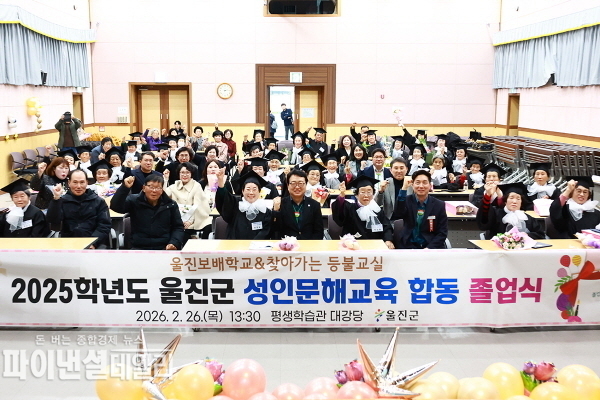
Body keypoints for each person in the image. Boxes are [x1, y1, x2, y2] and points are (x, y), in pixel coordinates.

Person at [111, 175, 185, 250]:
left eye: (158, 188)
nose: (154, 190)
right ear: (144, 188)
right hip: (139, 247)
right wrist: (124, 187)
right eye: (151, 187)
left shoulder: (170, 204)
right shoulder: (134, 201)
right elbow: (116, 207)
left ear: (162, 190)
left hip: (164, 247)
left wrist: (174, 243)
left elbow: (178, 227)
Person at [47, 169, 112, 248]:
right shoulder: (62, 201)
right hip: (68, 242)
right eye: (75, 182)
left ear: (87, 183)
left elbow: (104, 225)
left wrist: (93, 243)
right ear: (69, 183)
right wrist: (56, 199)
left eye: (82, 182)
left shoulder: (98, 201)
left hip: (94, 242)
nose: (78, 186)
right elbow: (53, 221)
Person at [332, 176, 394, 249]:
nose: (366, 195)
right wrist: (342, 194)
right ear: (357, 194)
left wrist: (388, 240)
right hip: (353, 246)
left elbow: (386, 227)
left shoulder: (377, 210)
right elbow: (339, 212)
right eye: (362, 192)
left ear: (373, 193)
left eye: (369, 192)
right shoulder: (349, 208)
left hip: (374, 246)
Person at [392, 170, 448, 249]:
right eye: (417, 183)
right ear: (412, 185)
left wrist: (429, 248)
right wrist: (404, 188)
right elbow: (398, 213)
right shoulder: (406, 201)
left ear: (430, 185)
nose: (421, 186)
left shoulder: (439, 205)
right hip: (408, 246)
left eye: (424, 183)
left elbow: (442, 232)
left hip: (430, 246)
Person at [215, 169, 275, 239]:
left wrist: (253, 243)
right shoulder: (235, 205)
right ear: (242, 191)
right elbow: (224, 198)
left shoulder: (265, 210)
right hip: (235, 244)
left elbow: (266, 231)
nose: (251, 192)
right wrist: (220, 182)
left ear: (259, 192)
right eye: (248, 189)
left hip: (257, 245)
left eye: (254, 189)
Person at [476, 182, 545, 240]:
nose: (514, 201)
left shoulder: (527, 218)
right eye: (511, 198)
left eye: (518, 199)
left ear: (521, 202)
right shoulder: (495, 214)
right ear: (505, 201)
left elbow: (540, 235)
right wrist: (488, 195)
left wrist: (526, 235)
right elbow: (484, 220)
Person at [165, 162, 212, 241]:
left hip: (195, 219)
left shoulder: (196, 186)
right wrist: (166, 180)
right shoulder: (175, 186)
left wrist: (190, 221)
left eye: (187, 172)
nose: (185, 175)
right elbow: (163, 195)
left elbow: (197, 206)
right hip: (178, 219)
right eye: (182, 172)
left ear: (191, 174)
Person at [272, 170, 324, 240]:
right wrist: (275, 211)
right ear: (288, 185)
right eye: (293, 183)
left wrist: (311, 245)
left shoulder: (314, 205)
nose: (297, 187)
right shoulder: (280, 204)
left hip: (308, 244)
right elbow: (275, 230)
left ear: (306, 185)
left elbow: (319, 232)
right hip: (286, 244)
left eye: (301, 183)